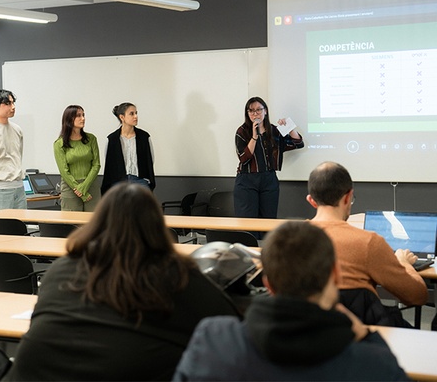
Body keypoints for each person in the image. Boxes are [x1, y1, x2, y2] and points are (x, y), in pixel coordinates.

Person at [3, 183, 238, 381]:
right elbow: (231, 322)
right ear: (156, 226)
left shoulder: (61, 269)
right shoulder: (178, 275)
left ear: (98, 221)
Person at [173, 221, 409, 381]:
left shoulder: (212, 341)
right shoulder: (374, 365)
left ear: (267, 284)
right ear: (335, 274)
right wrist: (368, 336)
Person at [307, 161, 427, 325]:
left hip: (304, 335)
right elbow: (417, 296)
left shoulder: (285, 241)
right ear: (348, 197)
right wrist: (404, 263)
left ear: (311, 200)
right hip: (363, 336)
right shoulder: (368, 242)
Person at [233, 97, 304, 223]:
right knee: (248, 222)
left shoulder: (274, 130)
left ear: (265, 111)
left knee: (268, 220)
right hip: (247, 180)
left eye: (259, 110)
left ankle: (266, 243)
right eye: (251, 111)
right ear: (247, 113)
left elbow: (298, 143)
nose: (255, 114)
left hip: (269, 179)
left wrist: (290, 127)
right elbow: (244, 158)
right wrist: (254, 137)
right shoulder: (242, 131)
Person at [53, 105, 101, 211]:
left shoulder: (91, 139)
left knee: (93, 224)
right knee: (72, 226)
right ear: (69, 119)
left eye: (83, 115)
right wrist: (78, 189)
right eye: (78, 116)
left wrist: (83, 187)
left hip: (91, 186)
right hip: (70, 189)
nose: (83, 118)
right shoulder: (59, 143)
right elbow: (64, 171)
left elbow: (96, 164)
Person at [101, 102, 155, 195]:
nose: (135, 116)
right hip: (119, 181)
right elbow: (109, 162)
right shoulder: (112, 139)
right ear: (122, 117)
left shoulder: (144, 137)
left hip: (140, 181)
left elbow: (150, 159)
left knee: (145, 207)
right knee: (118, 207)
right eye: (131, 114)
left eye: (136, 113)